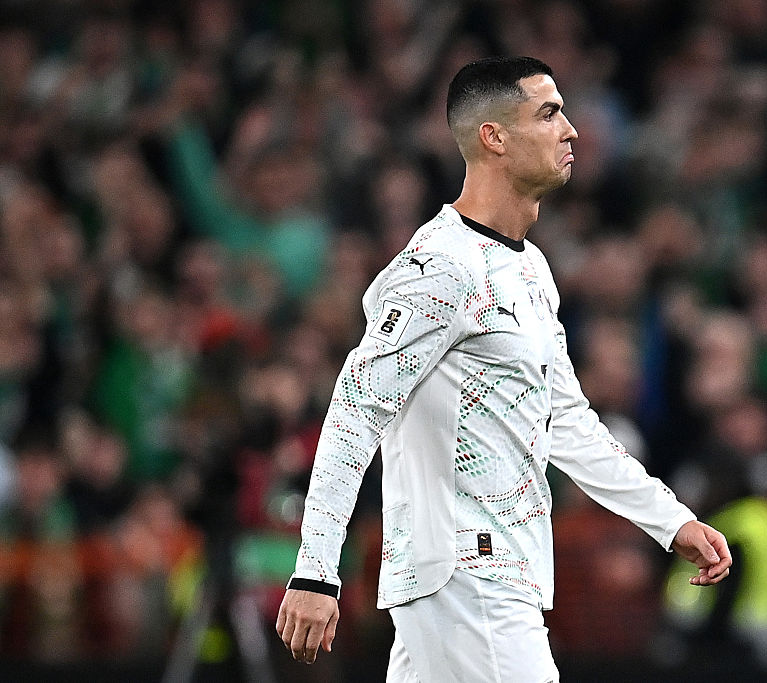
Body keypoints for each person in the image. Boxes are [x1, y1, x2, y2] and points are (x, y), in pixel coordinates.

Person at [275, 56, 732, 682]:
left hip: (490, 580)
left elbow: (567, 423)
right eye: (548, 114)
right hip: (467, 578)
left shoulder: (529, 271)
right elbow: (355, 411)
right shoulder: (440, 269)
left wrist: (669, 519)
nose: (571, 130)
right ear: (494, 138)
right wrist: (315, 570)